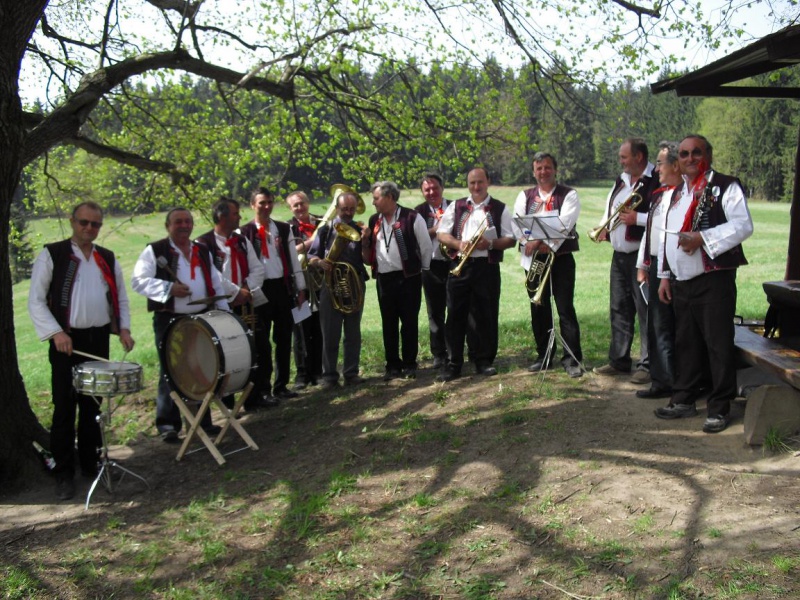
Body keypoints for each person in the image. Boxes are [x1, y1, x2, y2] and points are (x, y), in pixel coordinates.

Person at [29, 201, 135, 501]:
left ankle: (90, 463)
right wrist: (56, 333)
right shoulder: (53, 254)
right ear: (72, 221)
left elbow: (121, 297)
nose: (89, 228)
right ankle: (63, 473)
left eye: (95, 224)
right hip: (66, 340)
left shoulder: (106, 257)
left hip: (97, 339)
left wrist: (124, 329)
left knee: (92, 406)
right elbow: (36, 300)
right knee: (64, 407)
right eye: (83, 222)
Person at [654, 134, 753, 433]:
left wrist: (703, 238)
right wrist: (664, 275)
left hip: (713, 280)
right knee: (686, 344)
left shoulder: (725, 185)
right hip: (681, 281)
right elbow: (665, 236)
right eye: (684, 154)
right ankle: (684, 399)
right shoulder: (676, 192)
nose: (689, 159)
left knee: (717, 345)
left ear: (707, 155)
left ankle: (720, 408)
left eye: (696, 153)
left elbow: (743, 226)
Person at [131, 208, 229, 443]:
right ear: (168, 226)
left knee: (202, 367)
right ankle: (168, 425)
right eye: (178, 222)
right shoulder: (155, 250)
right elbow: (138, 281)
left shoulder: (201, 249)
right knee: (171, 369)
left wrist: (224, 312)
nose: (184, 226)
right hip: (170, 318)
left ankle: (203, 421)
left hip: (200, 317)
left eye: (187, 221)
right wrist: (169, 289)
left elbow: (215, 281)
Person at [194, 197, 275, 410]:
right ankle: (228, 402)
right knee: (226, 354)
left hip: (247, 302)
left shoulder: (242, 241)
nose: (239, 217)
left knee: (259, 347)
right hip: (223, 306)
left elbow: (258, 269)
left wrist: (246, 288)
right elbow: (213, 276)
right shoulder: (204, 244)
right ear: (222, 217)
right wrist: (235, 292)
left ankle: (257, 395)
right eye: (235, 213)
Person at [436, 167, 516, 381]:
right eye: (472, 183)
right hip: (460, 265)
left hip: (486, 267)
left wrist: (489, 243)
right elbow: (442, 234)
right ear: (468, 184)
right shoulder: (457, 206)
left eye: (480, 182)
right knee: (455, 315)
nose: (476, 186)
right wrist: (458, 244)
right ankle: (454, 363)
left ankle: (483, 360)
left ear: (488, 181)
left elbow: (510, 239)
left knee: (485, 314)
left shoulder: (499, 208)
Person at [512, 152, 583, 378]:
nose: (543, 172)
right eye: (539, 168)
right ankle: (544, 355)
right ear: (534, 172)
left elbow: (565, 224)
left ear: (555, 170)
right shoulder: (525, 196)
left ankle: (572, 358)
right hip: (534, 260)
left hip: (561, 259)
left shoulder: (568, 194)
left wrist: (543, 243)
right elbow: (518, 224)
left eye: (547, 167)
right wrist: (530, 242)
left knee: (565, 309)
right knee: (538, 309)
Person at [592, 138, 657, 384]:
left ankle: (648, 364)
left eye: (624, 157)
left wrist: (637, 219)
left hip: (642, 256)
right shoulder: (621, 180)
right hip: (619, 256)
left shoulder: (655, 180)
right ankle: (619, 360)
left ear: (639, 157)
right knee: (619, 308)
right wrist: (603, 227)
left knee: (645, 311)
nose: (621, 161)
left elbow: (663, 215)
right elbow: (611, 210)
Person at [239, 187, 306, 401]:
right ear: (253, 205)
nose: (267, 206)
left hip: (282, 287)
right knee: (261, 341)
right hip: (258, 290)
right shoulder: (244, 232)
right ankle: (263, 388)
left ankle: (281, 385)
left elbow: (294, 260)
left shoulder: (283, 229)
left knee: (284, 338)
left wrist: (301, 288)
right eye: (262, 203)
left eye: (269, 202)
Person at [361, 180, 432, 380]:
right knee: (388, 323)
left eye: (376, 198)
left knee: (409, 322)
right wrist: (364, 242)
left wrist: (422, 271)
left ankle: (409, 364)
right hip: (384, 279)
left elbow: (426, 246)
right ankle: (392, 365)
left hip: (409, 277)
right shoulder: (374, 220)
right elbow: (369, 256)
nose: (373, 202)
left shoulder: (412, 217)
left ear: (389, 197)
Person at [307, 189, 368, 388]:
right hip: (330, 285)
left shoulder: (359, 229)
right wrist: (319, 262)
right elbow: (311, 256)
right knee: (330, 333)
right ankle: (329, 376)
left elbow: (367, 260)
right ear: (337, 208)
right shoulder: (325, 230)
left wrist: (366, 240)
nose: (348, 212)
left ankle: (351, 373)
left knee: (353, 333)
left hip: (354, 284)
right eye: (344, 209)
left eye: (352, 209)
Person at [635, 141, 681, 399]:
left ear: (675, 165)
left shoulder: (683, 195)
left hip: (673, 266)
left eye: (660, 163)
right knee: (657, 325)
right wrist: (642, 264)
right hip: (655, 264)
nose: (656, 168)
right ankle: (661, 380)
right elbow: (651, 231)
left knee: (670, 326)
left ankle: (674, 382)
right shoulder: (659, 194)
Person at [286, 190, 323, 390]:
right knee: (300, 331)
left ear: (308, 203)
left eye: (302, 203)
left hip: (320, 284)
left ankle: (318, 371)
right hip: (300, 288)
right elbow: (287, 253)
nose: (299, 208)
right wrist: (307, 245)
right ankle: (302, 374)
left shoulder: (321, 223)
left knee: (319, 329)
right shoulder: (286, 228)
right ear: (290, 208)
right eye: (295, 205)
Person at [414, 173, 451, 369]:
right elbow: (414, 238)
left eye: (435, 188)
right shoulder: (417, 212)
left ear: (442, 188)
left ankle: (456, 351)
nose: (431, 192)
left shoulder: (455, 206)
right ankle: (439, 353)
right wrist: (436, 229)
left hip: (453, 263)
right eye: (427, 189)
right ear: (422, 192)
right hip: (431, 266)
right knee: (435, 312)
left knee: (457, 309)